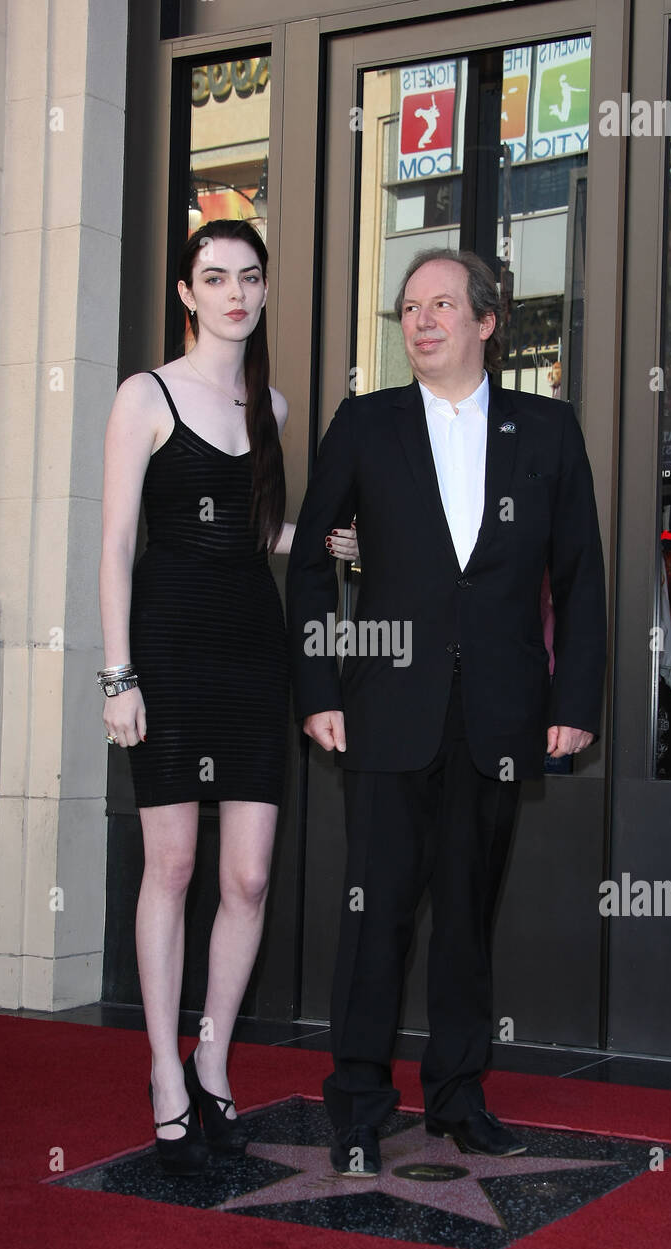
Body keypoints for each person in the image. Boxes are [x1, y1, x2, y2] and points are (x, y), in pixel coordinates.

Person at [286, 248, 606, 1174]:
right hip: (385, 708)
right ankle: (356, 1102)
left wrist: (574, 699)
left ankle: (459, 1097)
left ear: (486, 322)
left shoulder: (548, 431)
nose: (421, 322)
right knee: (376, 911)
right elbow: (311, 564)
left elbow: (579, 578)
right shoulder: (365, 423)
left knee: (468, 914)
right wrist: (317, 688)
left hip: (502, 715)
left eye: (441, 305)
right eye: (409, 309)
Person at [98, 219, 357, 1174]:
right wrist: (117, 674)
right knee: (170, 868)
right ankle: (165, 1072)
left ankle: (214, 1058)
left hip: (253, 653)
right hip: (166, 652)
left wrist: (311, 539)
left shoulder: (272, 406)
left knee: (246, 877)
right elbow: (118, 543)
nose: (236, 293)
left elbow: (245, 533)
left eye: (250, 276)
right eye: (215, 278)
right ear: (186, 292)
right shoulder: (146, 394)